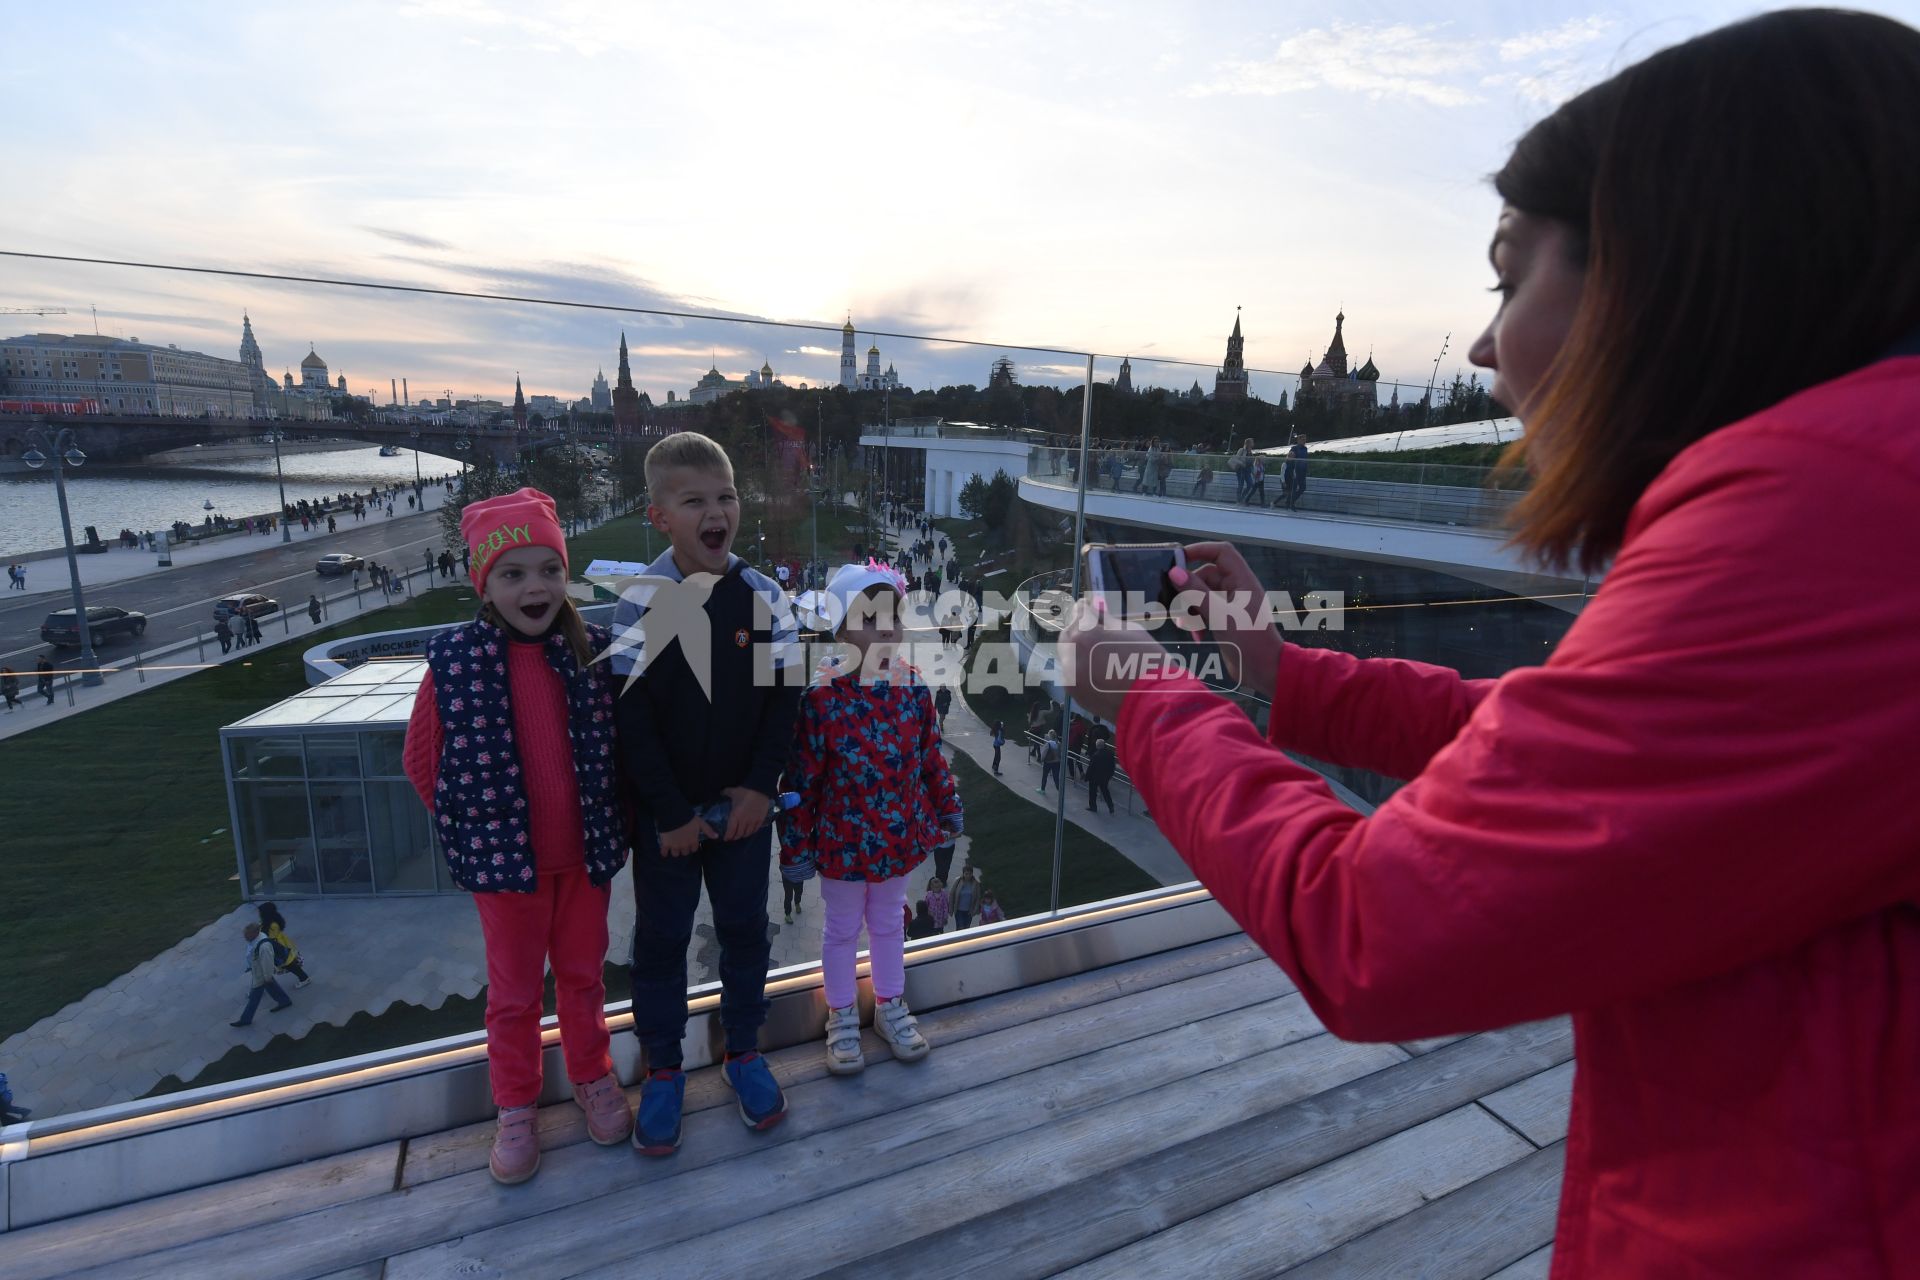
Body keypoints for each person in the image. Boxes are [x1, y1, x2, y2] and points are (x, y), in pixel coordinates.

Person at [1059, 12, 1920, 1275]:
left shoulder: (1833, 507)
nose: (1481, 346)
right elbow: (1620, 756)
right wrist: (1287, 677)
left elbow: (1376, 931)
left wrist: (1146, 695)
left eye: (1511, 278)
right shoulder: (1870, 481)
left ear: (1664, 267)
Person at [403, 487, 633, 1184]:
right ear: (484, 583)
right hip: (508, 872)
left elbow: (620, 744)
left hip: (584, 860)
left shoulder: (591, 652)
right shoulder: (456, 662)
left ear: (567, 575)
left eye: (549, 570)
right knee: (513, 996)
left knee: (585, 978)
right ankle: (516, 1105)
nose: (535, 587)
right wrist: (474, 829)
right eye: (513, 574)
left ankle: (592, 1074)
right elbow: (422, 761)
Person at [612, 432, 803, 1154]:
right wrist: (669, 812)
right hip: (669, 823)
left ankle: (744, 1050)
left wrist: (760, 789)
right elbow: (632, 719)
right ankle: (664, 1068)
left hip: (745, 816)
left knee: (746, 929)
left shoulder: (764, 596)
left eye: (725, 496)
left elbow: (785, 700)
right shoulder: (643, 604)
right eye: (695, 501)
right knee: (659, 941)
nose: (716, 511)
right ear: (660, 516)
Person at [779, 560, 963, 1077]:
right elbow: (802, 785)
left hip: (896, 839)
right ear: (840, 629)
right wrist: (795, 852)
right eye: (868, 617)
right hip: (841, 843)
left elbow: (930, 758)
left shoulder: (913, 689)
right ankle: (840, 1015)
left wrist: (947, 806)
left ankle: (889, 1006)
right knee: (840, 929)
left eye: (893, 615)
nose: (885, 627)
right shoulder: (820, 699)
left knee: (887, 923)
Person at [230, 922, 292, 1027]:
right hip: (259, 971)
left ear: (255, 933)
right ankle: (284, 1001)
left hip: (261, 975)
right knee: (271, 986)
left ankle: (246, 1019)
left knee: (254, 998)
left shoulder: (264, 947)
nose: (245, 937)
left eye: (247, 935)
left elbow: (267, 963)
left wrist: (267, 977)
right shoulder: (256, 939)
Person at [257, 902, 311, 987]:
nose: (258, 914)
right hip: (279, 945)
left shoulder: (271, 925)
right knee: (288, 964)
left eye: (260, 912)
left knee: (288, 964)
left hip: (278, 948)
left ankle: (304, 978)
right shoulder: (271, 921)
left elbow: (267, 937)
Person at [1085, 731, 1117, 815]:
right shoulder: (1110, 754)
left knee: (1092, 792)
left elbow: (1091, 768)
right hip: (1105, 777)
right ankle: (1111, 807)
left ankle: (1093, 807)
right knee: (1105, 792)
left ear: (1097, 746)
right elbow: (1112, 766)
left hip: (1095, 778)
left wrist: (1086, 777)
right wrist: (1110, 775)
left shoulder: (1095, 755)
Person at [1282, 440, 1310, 511]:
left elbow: (1305, 459)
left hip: (1302, 472)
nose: (1304, 441)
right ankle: (1290, 504)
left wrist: (1306, 469)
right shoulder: (1294, 448)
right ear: (1299, 440)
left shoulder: (1305, 449)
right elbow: (1290, 458)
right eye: (1303, 439)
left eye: (1305, 439)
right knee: (1293, 489)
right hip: (1296, 471)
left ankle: (1290, 502)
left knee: (1302, 488)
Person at [950, 865, 980, 930]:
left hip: (969, 911)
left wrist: (975, 909)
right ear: (963, 874)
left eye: (970, 874)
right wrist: (951, 908)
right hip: (959, 911)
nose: (968, 876)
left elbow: (977, 897)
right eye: (966, 874)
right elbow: (952, 894)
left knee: (967, 928)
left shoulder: (975, 883)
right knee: (960, 927)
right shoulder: (958, 881)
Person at [1037, 728, 1061, 795]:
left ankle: (1042, 789)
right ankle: (1059, 789)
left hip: (1048, 762)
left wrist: (1041, 760)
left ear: (1049, 736)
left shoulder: (1048, 744)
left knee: (1045, 776)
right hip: (1057, 762)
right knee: (1056, 777)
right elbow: (1060, 753)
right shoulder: (1058, 743)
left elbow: (1043, 754)